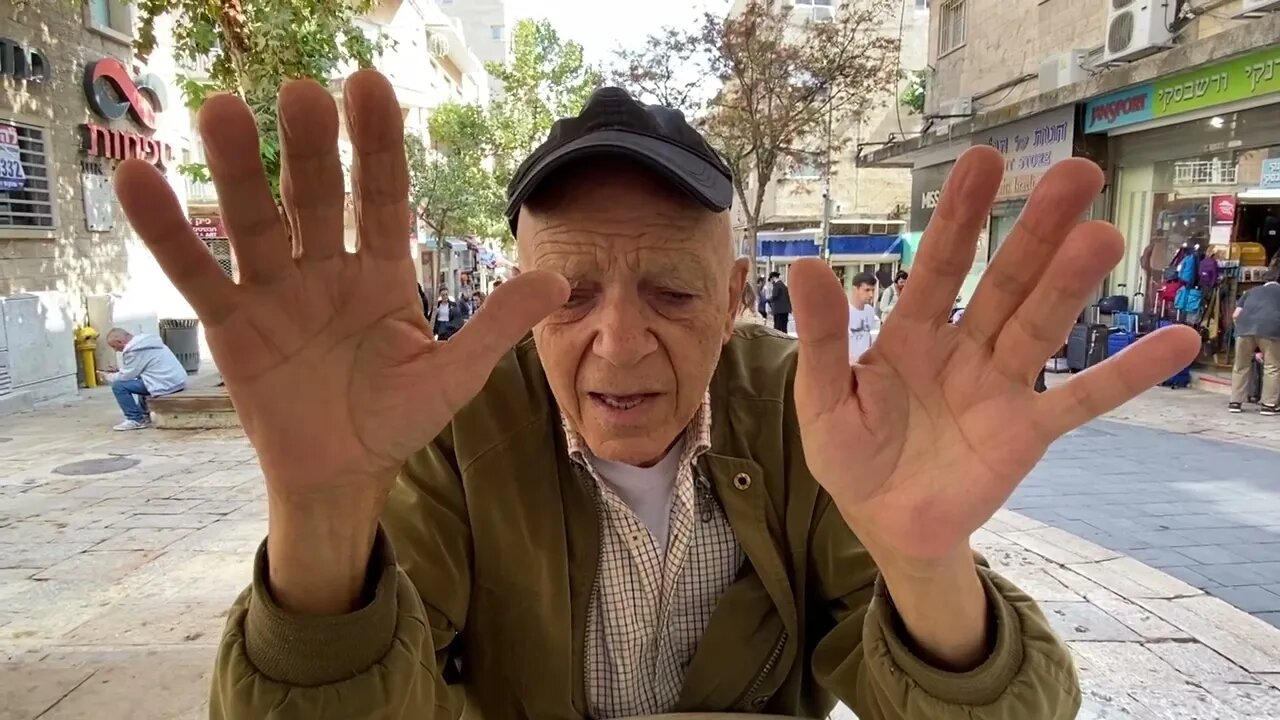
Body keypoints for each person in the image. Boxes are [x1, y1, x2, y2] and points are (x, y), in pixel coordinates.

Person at [112, 72, 1201, 720]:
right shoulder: (444, 417)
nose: (618, 340)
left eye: (672, 290)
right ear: (512, 299)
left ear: (733, 295)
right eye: (567, 292)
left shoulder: (808, 414)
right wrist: (319, 513)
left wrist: (922, 558)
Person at [95, 327, 187, 431]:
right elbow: (139, 368)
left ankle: (135, 419)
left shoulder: (133, 350)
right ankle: (144, 414)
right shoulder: (147, 341)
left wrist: (106, 376)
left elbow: (126, 376)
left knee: (119, 386)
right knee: (140, 380)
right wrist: (119, 370)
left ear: (120, 341)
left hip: (164, 383)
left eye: (114, 346)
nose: (116, 350)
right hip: (177, 380)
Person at [1230, 266, 1280, 415]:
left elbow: (1235, 314)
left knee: (1241, 366)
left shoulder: (1250, 292)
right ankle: (1268, 405)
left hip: (1244, 330)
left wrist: (1242, 329)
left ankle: (1235, 402)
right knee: (1272, 367)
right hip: (1271, 331)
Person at [848, 271, 880, 362]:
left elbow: (871, 337)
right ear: (855, 289)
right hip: (849, 365)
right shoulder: (844, 312)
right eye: (867, 290)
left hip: (866, 364)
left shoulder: (870, 311)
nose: (871, 295)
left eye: (873, 290)